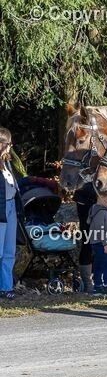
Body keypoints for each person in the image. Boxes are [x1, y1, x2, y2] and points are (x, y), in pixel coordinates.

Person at [0, 128, 23, 299]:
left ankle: (6, 287)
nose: (10, 147)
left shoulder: (7, 162)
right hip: (0, 211)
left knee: (9, 251)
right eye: (8, 144)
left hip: (11, 208)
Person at [87, 192, 107, 295]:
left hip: (97, 241)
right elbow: (100, 229)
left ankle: (98, 286)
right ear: (102, 199)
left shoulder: (95, 209)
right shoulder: (101, 212)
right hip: (101, 242)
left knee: (99, 264)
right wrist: (105, 244)